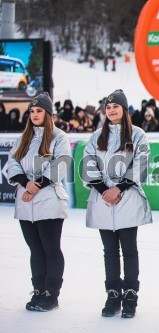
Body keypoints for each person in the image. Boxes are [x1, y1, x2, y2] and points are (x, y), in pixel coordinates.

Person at [82, 89, 152, 318]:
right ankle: (113, 295)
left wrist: (118, 188)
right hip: (104, 201)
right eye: (108, 107)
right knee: (109, 251)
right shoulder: (96, 137)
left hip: (127, 199)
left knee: (129, 249)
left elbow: (140, 163)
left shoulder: (138, 134)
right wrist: (104, 190)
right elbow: (89, 164)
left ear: (124, 109)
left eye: (116, 107)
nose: (111, 111)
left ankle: (130, 296)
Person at [7, 92, 71, 312]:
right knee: (35, 249)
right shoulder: (22, 138)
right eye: (32, 111)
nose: (34, 115)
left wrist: (37, 185)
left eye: (39, 111)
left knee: (50, 248)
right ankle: (38, 290)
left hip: (49, 201)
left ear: (48, 114)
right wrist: (26, 183)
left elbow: (61, 163)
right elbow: (12, 163)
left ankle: (50, 294)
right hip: (26, 203)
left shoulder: (58, 137)